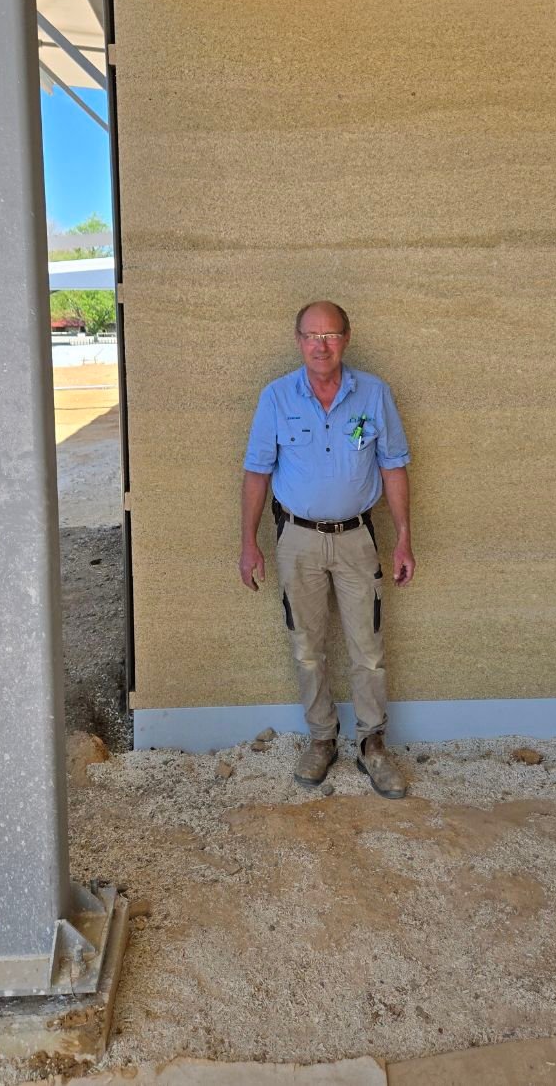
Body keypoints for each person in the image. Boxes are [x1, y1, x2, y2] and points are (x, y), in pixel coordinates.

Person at [239, 301, 415, 799]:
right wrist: (248, 543)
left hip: (359, 539)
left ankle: (373, 746)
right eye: (312, 335)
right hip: (297, 541)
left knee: (369, 651)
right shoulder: (275, 398)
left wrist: (403, 538)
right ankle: (321, 740)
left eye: (331, 335)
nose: (321, 345)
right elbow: (256, 473)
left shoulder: (374, 395)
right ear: (298, 340)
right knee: (307, 649)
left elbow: (394, 467)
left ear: (347, 339)